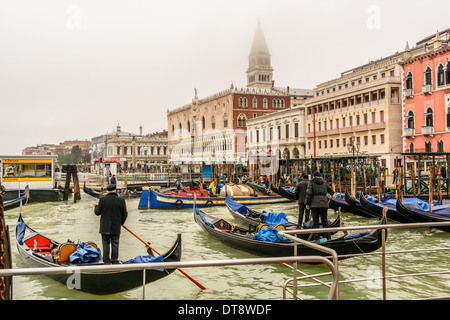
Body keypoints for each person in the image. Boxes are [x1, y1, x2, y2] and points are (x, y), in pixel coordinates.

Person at [93, 184, 128, 264]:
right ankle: (114, 260)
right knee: (115, 244)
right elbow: (125, 214)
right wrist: (121, 223)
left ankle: (106, 261)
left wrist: (95, 206)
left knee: (105, 244)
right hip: (116, 227)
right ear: (115, 190)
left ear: (107, 191)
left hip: (104, 227)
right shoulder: (121, 200)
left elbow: (97, 213)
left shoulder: (102, 200)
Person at [305, 171, 335, 242]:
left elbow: (309, 194)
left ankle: (317, 238)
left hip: (314, 204)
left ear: (314, 176)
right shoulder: (324, 182)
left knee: (316, 222)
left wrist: (307, 203)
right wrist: (332, 193)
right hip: (324, 203)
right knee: (325, 221)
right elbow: (331, 191)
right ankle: (328, 237)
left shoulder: (311, 182)